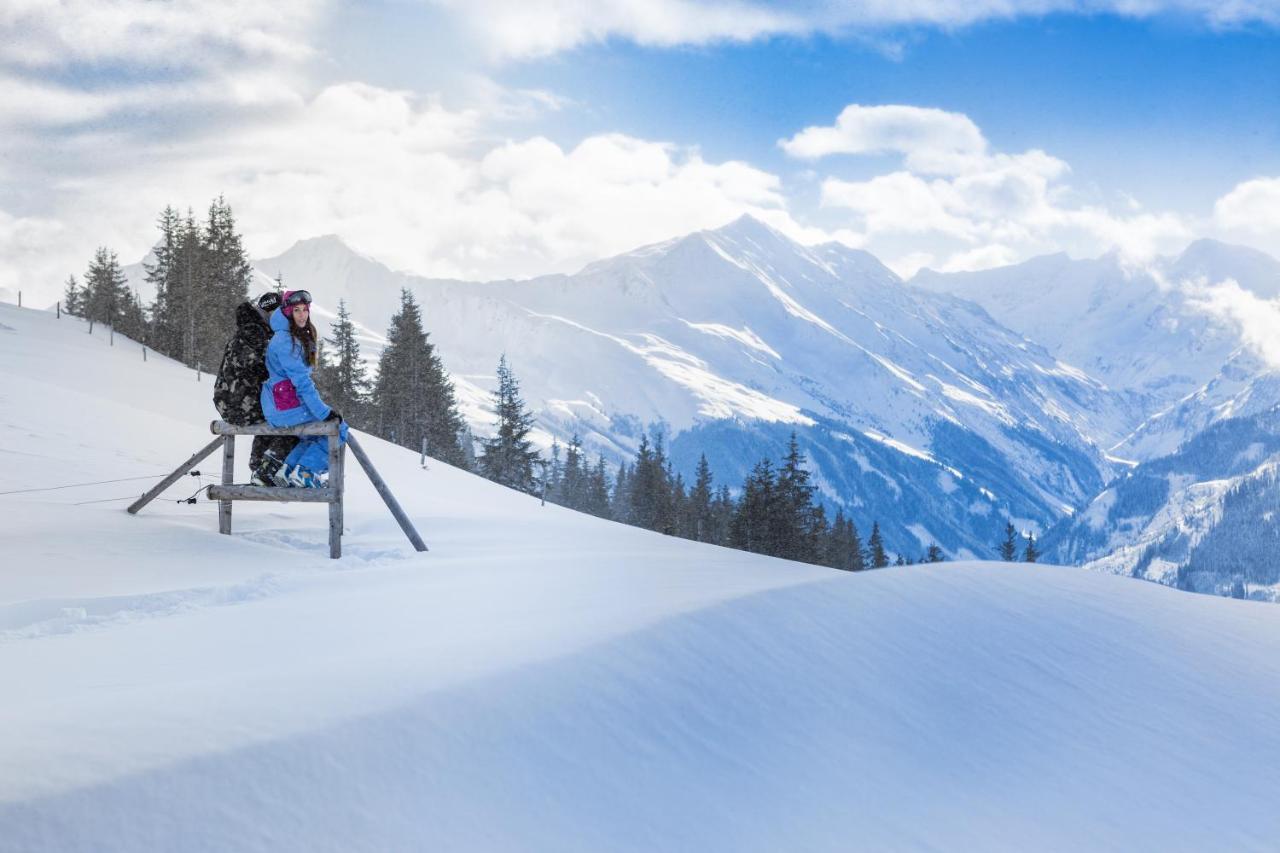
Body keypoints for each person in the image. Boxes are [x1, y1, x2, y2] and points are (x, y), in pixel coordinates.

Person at [261, 289, 347, 487]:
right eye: (296, 310)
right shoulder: (285, 340)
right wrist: (323, 412)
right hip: (284, 406)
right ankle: (305, 472)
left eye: (305, 310)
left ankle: (290, 471)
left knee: (313, 435)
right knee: (339, 429)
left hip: (283, 403)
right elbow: (302, 383)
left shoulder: (290, 336)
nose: (302, 315)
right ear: (288, 312)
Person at [213, 291, 299, 486]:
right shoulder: (255, 334)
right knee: (294, 419)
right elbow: (261, 369)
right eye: (280, 314)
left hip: (230, 402)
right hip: (240, 404)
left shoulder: (250, 330)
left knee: (277, 411)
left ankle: (260, 461)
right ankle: (267, 466)